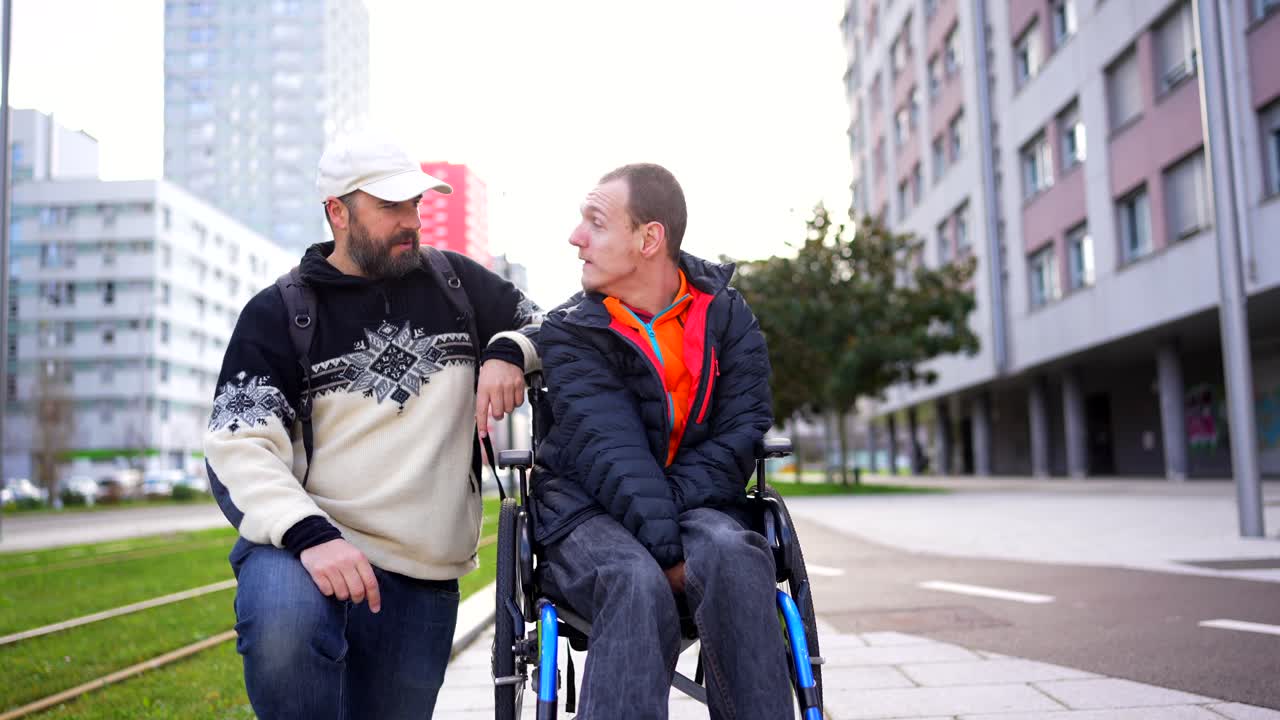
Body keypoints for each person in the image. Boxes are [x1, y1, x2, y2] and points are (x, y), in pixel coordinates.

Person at [203, 130, 540, 720]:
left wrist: (509, 350)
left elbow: (556, 326)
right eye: (390, 206)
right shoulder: (279, 312)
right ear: (337, 212)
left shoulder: (456, 284)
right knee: (282, 624)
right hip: (308, 552)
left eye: (415, 204)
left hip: (420, 573)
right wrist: (312, 537)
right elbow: (238, 446)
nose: (411, 220)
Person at [530, 163, 793, 718]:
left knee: (736, 555)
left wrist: (672, 541)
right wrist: (671, 558)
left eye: (596, 223)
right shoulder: (570, 332)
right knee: (634, 581)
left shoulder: (727, 317)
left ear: (650, 238)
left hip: (695, 505)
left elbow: (740, 434)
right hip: (586, 510)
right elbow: (613, 453)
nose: (576, 238)